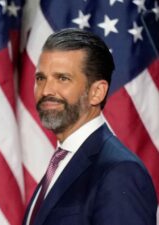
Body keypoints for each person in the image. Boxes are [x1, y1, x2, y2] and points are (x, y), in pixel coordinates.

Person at [22, 28, 157, 225]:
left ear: (97, 92)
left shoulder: (119, 171)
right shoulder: (62, 160)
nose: (46, 90)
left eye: (62, 78)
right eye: (41, 78)